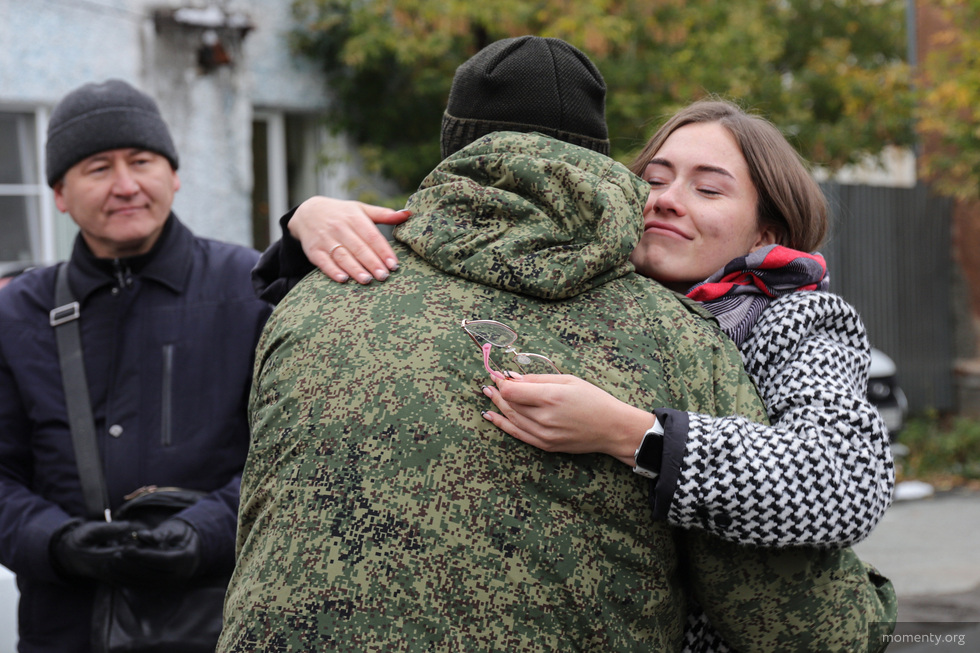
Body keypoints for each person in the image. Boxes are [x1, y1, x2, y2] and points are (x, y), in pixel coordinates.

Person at [232, 37, 893, 652]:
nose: (665, 200)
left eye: (708, 187)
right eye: (654, 178)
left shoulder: (795, 320)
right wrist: (305, 228)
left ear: (766, 230)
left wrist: (635, 434)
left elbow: (843, 475)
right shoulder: (637, 313)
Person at [0, 79, 272, 652]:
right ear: (59, 193)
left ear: (172, 175)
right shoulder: (16, 313)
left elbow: (291, 460)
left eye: (142, 161)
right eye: (98, 167)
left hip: (225, 627)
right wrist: (56, 543)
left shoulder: (253, 291)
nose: (125, 186)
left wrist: (205, 534)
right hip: (64, 632)